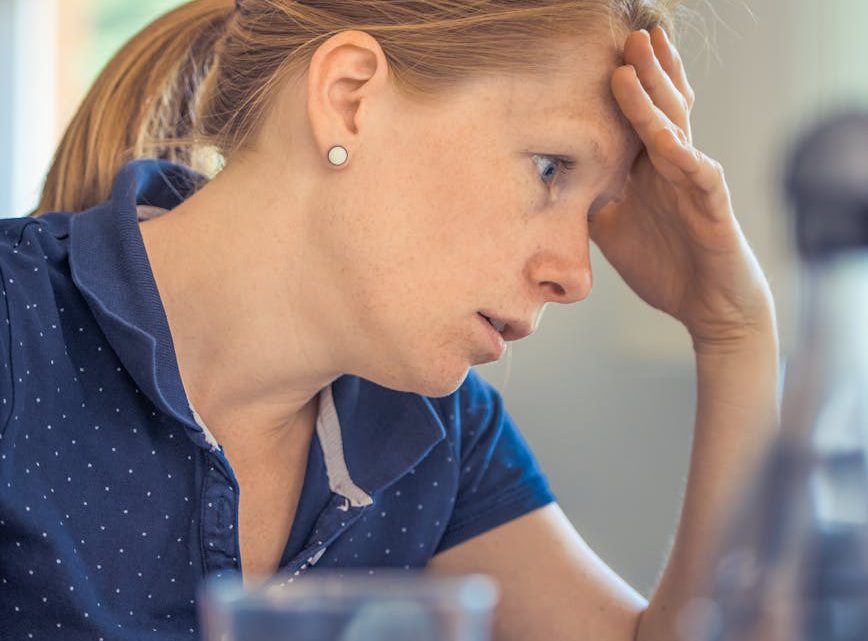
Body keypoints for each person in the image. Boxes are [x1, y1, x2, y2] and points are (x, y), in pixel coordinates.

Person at [0, 0, 781, 639]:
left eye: (598, 209)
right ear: (349, 97)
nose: (575, 276)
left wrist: (733, 331)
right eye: (550, 169)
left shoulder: (437, 434)